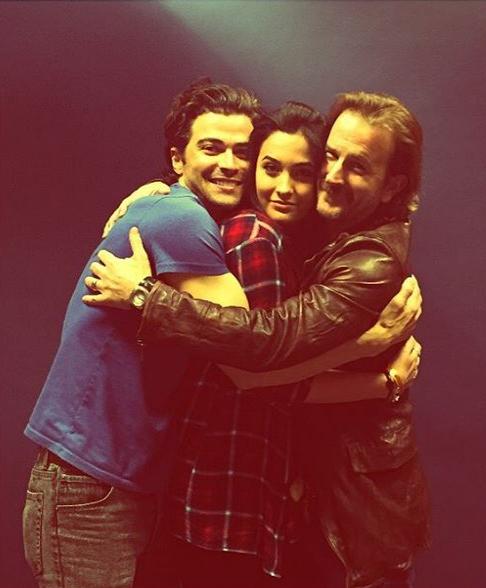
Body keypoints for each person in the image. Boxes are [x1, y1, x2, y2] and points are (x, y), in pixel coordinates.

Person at [84, 90, 430, 587]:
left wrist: (146, 298)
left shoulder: (365, 259)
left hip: (347, 503)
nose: (331, 176)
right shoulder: (280, 233)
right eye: (331, 157)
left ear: (392, 184)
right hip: (261, 490)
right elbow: (254, 371)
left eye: (355, 166)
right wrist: (164, 190)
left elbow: (266, 349)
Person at [21, 80, 264, 588]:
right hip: (90, 484)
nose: (230, 164)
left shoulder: (171, 208)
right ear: (179, 158)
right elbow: (245, 342)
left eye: (242, 151)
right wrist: (367, 351)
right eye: (212, 147)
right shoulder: (183, 218)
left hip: (107, 481)